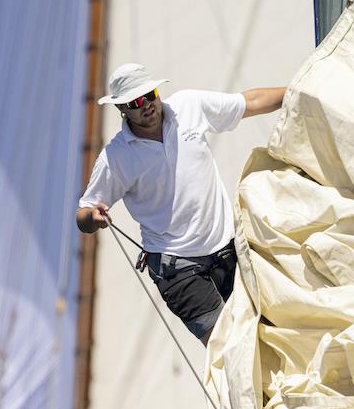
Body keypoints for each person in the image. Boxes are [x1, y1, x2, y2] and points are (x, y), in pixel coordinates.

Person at [76, 63, 285, 344]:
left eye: (150, 94)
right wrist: (93, 218)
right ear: (122, 109)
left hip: (227, 248)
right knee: (227, 350)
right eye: (136, 102)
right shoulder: (116, 157)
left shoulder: (188, 106)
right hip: (177, 270)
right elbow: (84, 214)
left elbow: (249, 102)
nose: (147, 104)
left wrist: (297, 91)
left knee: (267, 336)